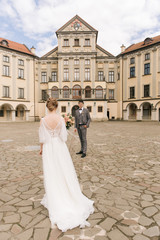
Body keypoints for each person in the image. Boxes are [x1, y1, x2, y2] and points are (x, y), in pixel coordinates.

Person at [39, 98, 94, 232]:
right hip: (59, 147)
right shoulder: (60, 119)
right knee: (63, 170)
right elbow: (64, 137)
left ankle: (55, 196)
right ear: (56, 107)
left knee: (51, 172)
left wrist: (41, 149)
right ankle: (67, 194)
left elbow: (42, 138)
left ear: (47, 107)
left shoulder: (43, 120)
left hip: (48, 148)